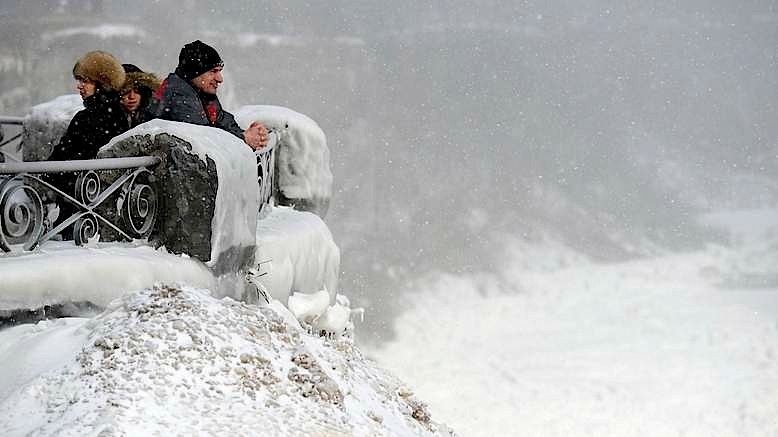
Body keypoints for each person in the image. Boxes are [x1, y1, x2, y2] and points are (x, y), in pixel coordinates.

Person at [45, 50, 128, 235]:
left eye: (86, 81)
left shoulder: (90, 117)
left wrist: (48, 174)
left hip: (80, 202)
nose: (80, 86)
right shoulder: (116, 114)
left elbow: (70, 155)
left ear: (102, 84)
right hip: (94, 200)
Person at [146, 40, 268, 150]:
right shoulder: (179, 95)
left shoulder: (201, 93)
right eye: (213, 71)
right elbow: (205, 139)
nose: (220, 79)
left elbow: (222, 121)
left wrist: (247, 134)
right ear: (194, 73)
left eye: (219, 71)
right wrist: (244, 139)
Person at [118, 63, 161, 129]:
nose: (132, 96)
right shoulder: (107, 118)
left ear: (144, 93)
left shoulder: (155, 116)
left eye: (137, 91)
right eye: (125, 91)